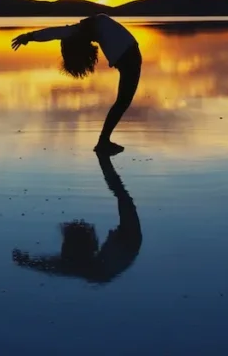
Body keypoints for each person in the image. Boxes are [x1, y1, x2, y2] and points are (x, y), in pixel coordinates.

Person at [11, 14, 141, 155]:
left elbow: (55, 33)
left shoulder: (84, 28)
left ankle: (103, 142)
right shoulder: (86, 28)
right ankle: (103, 142)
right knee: (122, 102)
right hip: (129, 60)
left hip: (128, 58)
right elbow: (54, 33)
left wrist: (29, 36)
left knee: (122, 102)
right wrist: (29, 37)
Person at [11, 152, 142, 284]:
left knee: (121, 194)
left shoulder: (87, 268)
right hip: (126, 245)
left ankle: (104, 158)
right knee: (122, 195)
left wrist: (29, 262)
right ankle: (104, 158)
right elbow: (57, 267)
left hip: (122, 248)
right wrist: (29, 263)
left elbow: (55, 267)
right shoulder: (96, 268)